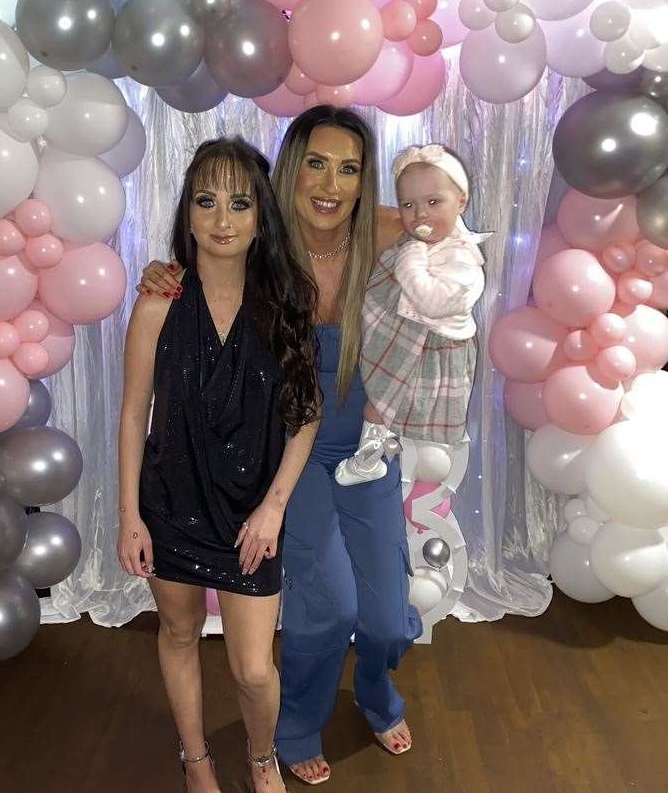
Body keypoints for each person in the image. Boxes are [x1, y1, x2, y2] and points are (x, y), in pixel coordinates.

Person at [139, 107, 422, 787]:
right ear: (290, 171)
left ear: (363, 180)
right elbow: (206, 267)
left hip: (366, 447)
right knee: (330, 605)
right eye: (316, 163)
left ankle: (379, 691)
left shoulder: (383, 233)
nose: (330, 182)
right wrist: (160, 272)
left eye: (349, 167)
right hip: (295, 452)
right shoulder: (266, 242)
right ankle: (293, 724)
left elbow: (452, 229)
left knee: (385, 614)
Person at [119, 137, 319, 793]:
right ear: (187, 211)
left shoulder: (286, 303)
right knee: (177, 634)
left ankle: (261, 756)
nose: (222, 219)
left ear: (262, 215)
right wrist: (130, 517)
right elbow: (132, 415)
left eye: (239, 202)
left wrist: (274, 506)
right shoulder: (158, 303)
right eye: (206, 200)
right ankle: (196, 757)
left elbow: (305, 413)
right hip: (171, 503)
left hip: (249, 514)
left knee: (254, 670)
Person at [335, 143, 487, 486]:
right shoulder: (418, 244)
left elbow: (432, 302)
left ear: (460, 201)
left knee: (382, 407)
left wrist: (410, 261)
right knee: (377, 402)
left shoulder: (462, 260)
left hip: (430, 349)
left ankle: (370, 460)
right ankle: (381, 449)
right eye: (408, 204)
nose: (420, 215)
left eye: (434, 202)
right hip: (404, 336)